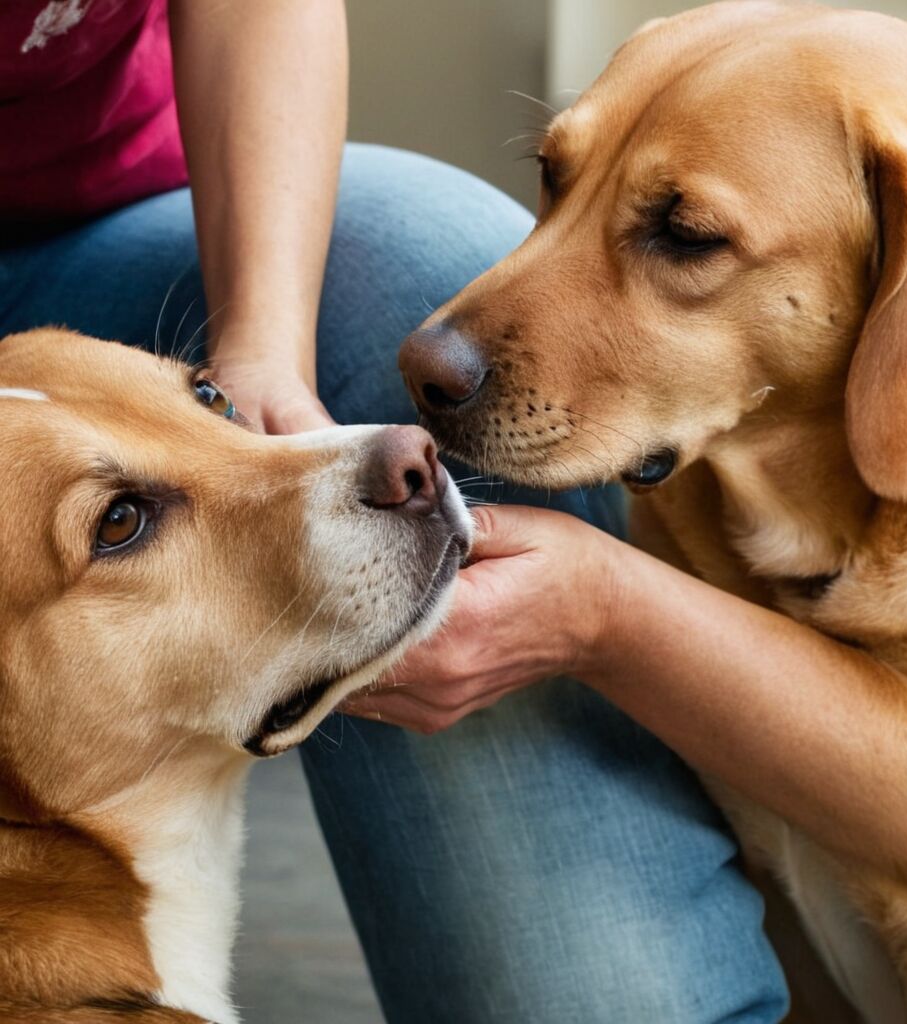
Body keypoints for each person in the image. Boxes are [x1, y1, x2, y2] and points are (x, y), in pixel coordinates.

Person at [0, 2, 788, 1021]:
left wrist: (255, 361)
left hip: (87, 210)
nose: (385, 465)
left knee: (419, 251)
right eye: (122, 522)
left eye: (193, 393)